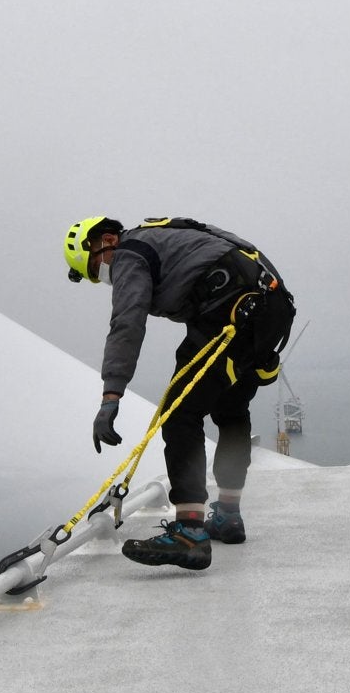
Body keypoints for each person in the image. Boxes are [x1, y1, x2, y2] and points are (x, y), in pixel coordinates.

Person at [63, 216, 296, 569]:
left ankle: (190, 532)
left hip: (230, 311)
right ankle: (228, 516)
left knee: (179, 413)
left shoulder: (128, 253)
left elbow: (127, 320)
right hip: (268, 307)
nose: (106, 278)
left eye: (97, 268)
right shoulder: (169, 233)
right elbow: (241, 247)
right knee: (231, 410)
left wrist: (111, 395)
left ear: (108, 240)